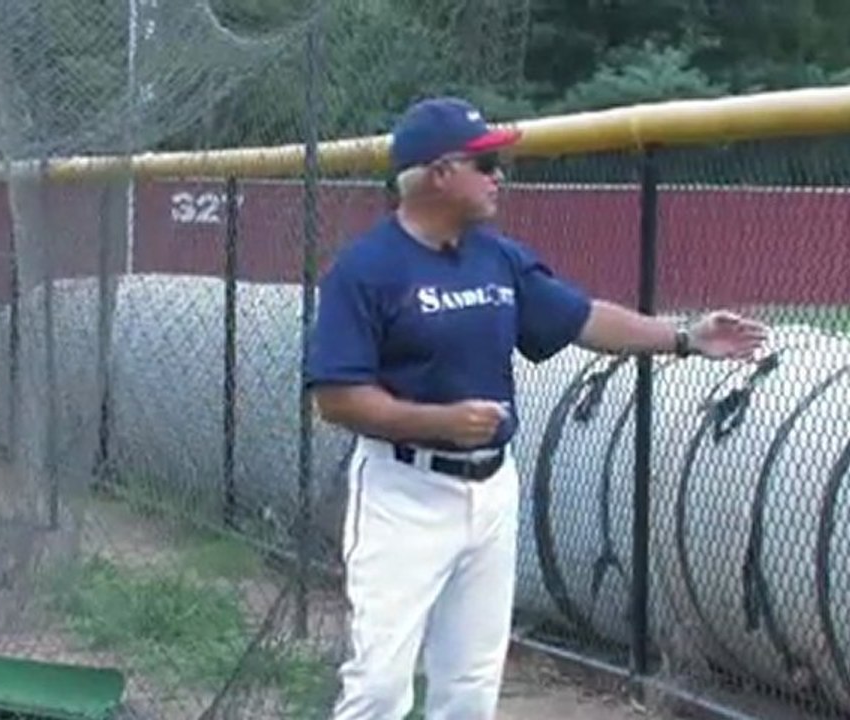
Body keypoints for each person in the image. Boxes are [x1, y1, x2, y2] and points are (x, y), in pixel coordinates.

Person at [303, 96, 767, 720]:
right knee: (380, 685)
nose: (500, 177)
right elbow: (335, 396)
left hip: (491, 489)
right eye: (485, 164)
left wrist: (685, 337)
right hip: (402, 490)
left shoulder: (497, 257)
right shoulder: (367, 270)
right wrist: (435, 422)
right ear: (439, 174)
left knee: (470, 684)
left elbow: (582, 318)